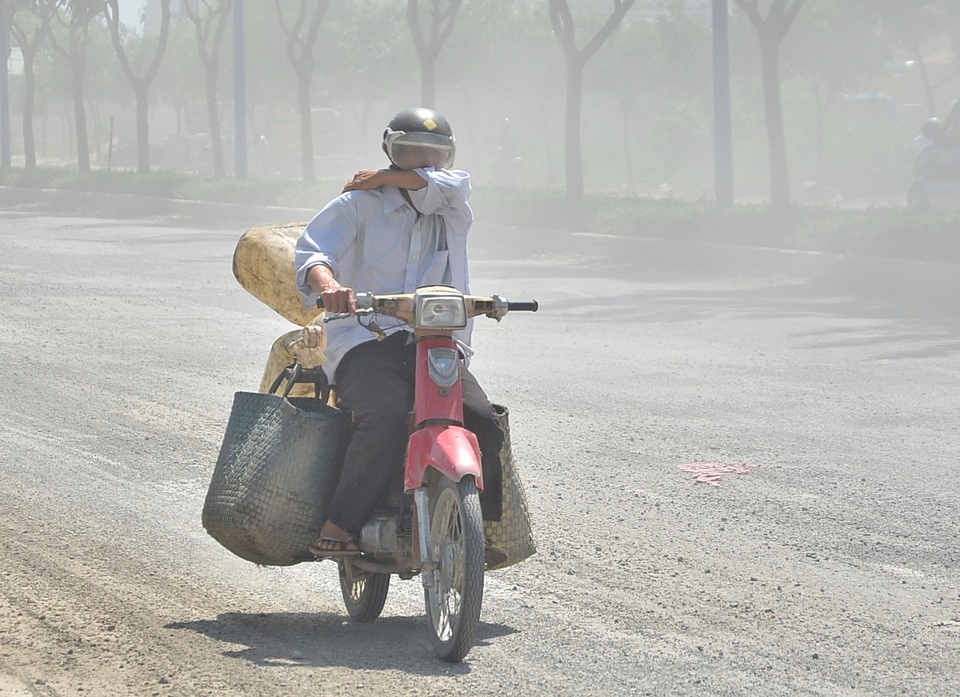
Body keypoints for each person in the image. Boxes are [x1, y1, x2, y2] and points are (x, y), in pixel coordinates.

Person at [294, 107, 505, 559]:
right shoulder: (356, 205)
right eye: (409, 152)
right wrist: (330, 287)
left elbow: (448, 183)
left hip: (433, 340)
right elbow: (313, 253)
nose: (421, 163)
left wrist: (387, 177)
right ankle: (341, 521)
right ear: (390, 150)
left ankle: (480, 531)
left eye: (432, 155)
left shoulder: (450, 204)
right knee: (385, 414)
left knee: (483, 420)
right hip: (363, 339)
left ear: (446, 159)